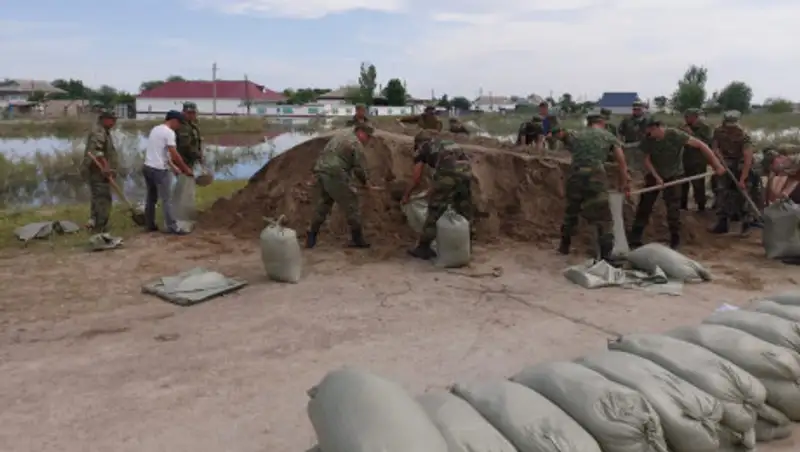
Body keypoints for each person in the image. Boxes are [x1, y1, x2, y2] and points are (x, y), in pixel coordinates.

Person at [628, 119, 725, 249]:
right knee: (645, 205)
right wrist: (657, 177)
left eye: (649, 131)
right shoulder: (647, 140)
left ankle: (675, 240)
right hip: (654, 174)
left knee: (673, 208)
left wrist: (716, 164)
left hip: (674, 175)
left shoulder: (675, 135)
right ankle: (635, 238)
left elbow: (701, 145)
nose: (647, 134)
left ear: (657, 127)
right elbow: (646, 160)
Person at [558, 113, 631, 260]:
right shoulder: (608, 136)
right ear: (602, 123)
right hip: (595, 177)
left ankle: (564, 246)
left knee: (571, 211)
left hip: (575, 175)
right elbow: (621, 162)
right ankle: (606, 254)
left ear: (588, 123)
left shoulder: (577, 135)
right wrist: (624, 183)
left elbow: (570, 147)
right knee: (603, 215)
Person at [306, 123, 376, 249]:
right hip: (335, 173)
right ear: (361, 132)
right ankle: (357, 239)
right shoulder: (355, 143)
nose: (368, 140)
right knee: (352, 203)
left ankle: (311, 236)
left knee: (324, 204)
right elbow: (359, 168)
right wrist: (366, 183)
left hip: (322, 170)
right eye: (368, 136)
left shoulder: (341, 135)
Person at [402, 138, 473, 260]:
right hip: (466, 173)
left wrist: (406, 195)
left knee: (435, 210)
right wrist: (433, 188)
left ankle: (423, 248)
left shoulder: (422, 150)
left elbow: (416, 179)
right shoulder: (444, 143)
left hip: (449, 172)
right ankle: (464, 243)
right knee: (462, 207)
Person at [142, 110, 194, 234]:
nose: (179, 126)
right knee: (167, 199)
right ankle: (173, 227)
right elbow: (174, 153)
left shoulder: (155, 129)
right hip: (159, 170)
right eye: (179, 123)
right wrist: (185, 168)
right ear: (174, 120)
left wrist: (173, 167)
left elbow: (161, 152)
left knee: (151, 198)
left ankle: (150, 224)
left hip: (147, 167)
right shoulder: (169, 133)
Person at [709, 110, 756, 234]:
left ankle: (746, 223)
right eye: (728, 125)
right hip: (725, 162)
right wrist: (719, 157)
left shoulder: (744, 135)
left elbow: (748, 158)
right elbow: (714, 147)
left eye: (732, 126)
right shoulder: (718, 131)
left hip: (741, 163)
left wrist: (742, 179)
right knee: (722, 191)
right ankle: (722, 222)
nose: (730, 129)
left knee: (743, 193)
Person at [81, 109, 118, 233]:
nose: (114, 123)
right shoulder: (99, 132)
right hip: (98, 171)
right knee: (103, 198)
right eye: (112, 120)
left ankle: (94, 222)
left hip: (100, 171)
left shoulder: (104, 131)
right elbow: (98, 153)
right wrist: (106, 169)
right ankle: (100, 227)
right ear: (104, 119)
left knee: (98, 198)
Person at [678, 108, 714, 212]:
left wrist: (691, 134)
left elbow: (707, 144)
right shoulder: (682, 127)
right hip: (684, 159)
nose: (686, 119)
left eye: (688, 117)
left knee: (698, 185)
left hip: (698, 161)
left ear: (694, 117)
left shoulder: (705, 128)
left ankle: (701, 207)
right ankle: (682, 207)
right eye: (685, 117)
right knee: (683, 185)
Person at [176, 102, 204, 168]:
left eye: (194, 113)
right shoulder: (182, 126)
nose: (192, 115)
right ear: (183, 112)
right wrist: (198, 156)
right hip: (182, 162)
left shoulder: (192, 125)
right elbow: (185, 146)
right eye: (189, 113)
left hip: (191, 161)